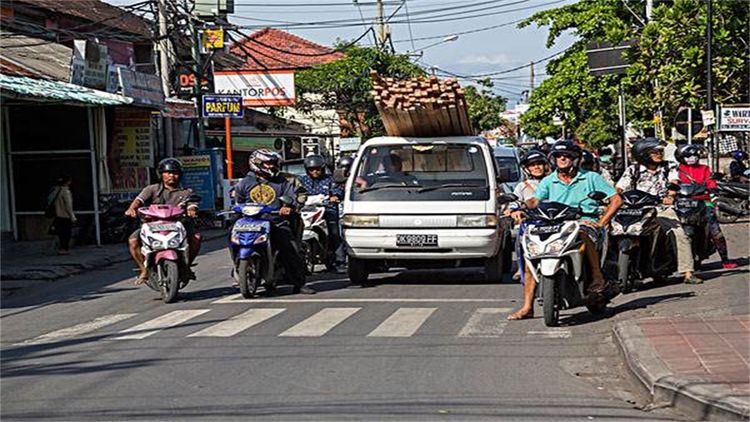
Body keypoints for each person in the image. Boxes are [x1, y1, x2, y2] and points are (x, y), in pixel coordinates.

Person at [507, 140, 622, 321]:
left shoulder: (591, 177)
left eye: (567, 156)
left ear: (575, 159)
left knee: (582, 233)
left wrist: (601, 222)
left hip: (584, 222)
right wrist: (520, 208)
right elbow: (535, 201)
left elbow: (616, 200)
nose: (562, 159)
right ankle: (527, 307)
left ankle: (598, 277)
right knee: (531, 255)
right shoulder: (548, 181)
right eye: (559, 156)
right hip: (555, 223)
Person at [615, 137, 701, 284]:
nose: (659, 154)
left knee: (679, 233)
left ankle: (688, 272)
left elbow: (674, 182)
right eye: (655, 152)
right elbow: (619, 188)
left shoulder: (669, 167)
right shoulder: (633, 170)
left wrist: (670, 196)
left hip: (661, 207)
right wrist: (612, 198)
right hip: (636, 210)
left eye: (660, 151)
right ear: (643, 153)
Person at [234, 149, 314, 294]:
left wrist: (288, 207)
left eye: (273, 163)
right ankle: (238, 268)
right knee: (232, 237)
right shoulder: (245, 183)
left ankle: (299, 283)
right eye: (268, 163)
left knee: (290, 248)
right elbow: (238, 202)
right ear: (257, 163)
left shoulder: (282, 182)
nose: (271, 166)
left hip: (276, 221)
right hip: (250, 223)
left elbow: (291, 197)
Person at [125, 158, 201, 285]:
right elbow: (139, 200)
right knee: (133, 241)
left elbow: (192, 204)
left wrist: (192, 210)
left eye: (175, 173)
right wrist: (132, 208)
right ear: (161, 174)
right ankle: (144, 270)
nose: (171, 176)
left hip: (178, 225)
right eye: (168, 173)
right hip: (152, 226)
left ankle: (186, 266)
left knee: (197, 237)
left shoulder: (187, 192)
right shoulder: (151, 189)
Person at [675, 144, 737, 269]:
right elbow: (673, 184)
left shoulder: (704, 168)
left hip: (704, 202)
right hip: (684, 203)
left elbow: (711, 182)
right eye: (688, 156)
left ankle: (725, 260)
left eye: (694, 155)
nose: (692, 157)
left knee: (715, 231)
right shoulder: (677, 170)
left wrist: (712, 188)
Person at [506, 150, 548, 282]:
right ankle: (522, 267)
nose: (536, 167)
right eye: (532, 165)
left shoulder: (552, 182)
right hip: (531, 223)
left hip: (553, 222)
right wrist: (513, 211)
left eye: (539, 164)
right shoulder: (522, 186)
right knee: (520, 236)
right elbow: (514, 204)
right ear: (527, 169)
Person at [299, 154, 345, 272]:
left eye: (317, 169)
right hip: (307, 210)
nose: (315, 171)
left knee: (334, 233)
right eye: (311, 169)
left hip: (327, 209)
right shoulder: (302, 180)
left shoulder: (330, 179)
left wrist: (334, 196)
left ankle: (339, 261)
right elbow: (296, 192)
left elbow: (337, 190)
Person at [49, 175, 77, 255]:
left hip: (58, 215)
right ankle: (65, 248)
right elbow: (68, 206)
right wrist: (72, 217)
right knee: (66, 233)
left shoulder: (56, 191)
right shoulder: (66, 192)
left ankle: (61, 248)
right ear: (68, 182)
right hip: (65, 216)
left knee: (61, 233)